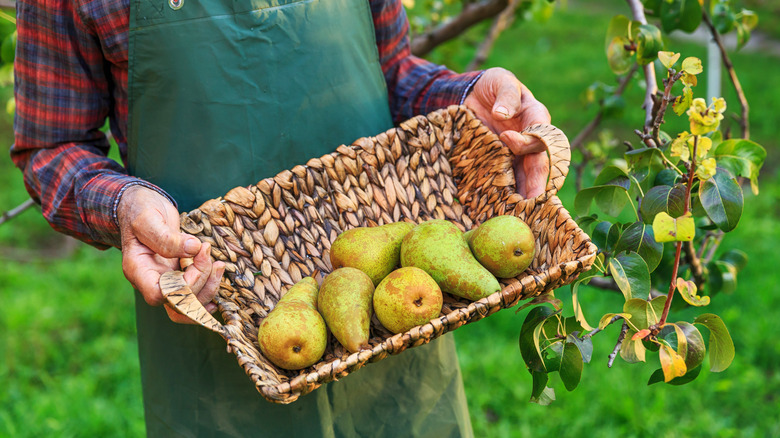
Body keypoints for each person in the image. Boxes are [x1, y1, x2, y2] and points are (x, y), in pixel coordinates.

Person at [11, 0, 551, 436]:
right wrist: (124, 206)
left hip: (395, 317)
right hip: (216, 309)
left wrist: (465, 103)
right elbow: (51, 146)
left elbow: (389, 71)